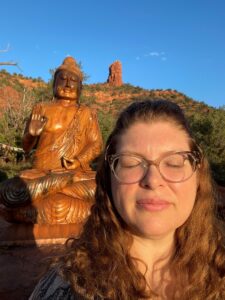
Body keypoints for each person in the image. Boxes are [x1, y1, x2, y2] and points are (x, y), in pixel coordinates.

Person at [30, 99, 225, 299]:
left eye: (174, 163)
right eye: (131, 163)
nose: (153, 180)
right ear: (109, 178)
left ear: (198, 176)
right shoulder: (67, 287)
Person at [0, 57, 103, 224]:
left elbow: (96, 144)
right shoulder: (41, 108)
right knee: (8, 191)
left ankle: (24, 213)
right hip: (42, 175)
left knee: (102, 188)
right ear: (54, 84)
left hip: (75, 175)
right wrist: (31, 134)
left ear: (80, 87)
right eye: (62, 79)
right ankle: (88, 212)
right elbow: (26, 148)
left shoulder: (86, 113)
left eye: (73, 81)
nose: (68, 85)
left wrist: (78, 161)